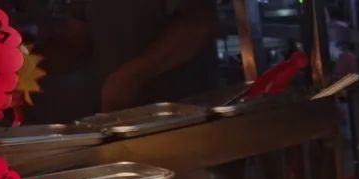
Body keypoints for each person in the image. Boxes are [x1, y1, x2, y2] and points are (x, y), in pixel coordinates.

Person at [11, 0, 217, 120]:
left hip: (186, 118)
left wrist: (132, 75)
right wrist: (27, 64)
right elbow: (80, 39)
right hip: (122, 124)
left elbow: (200, 21)